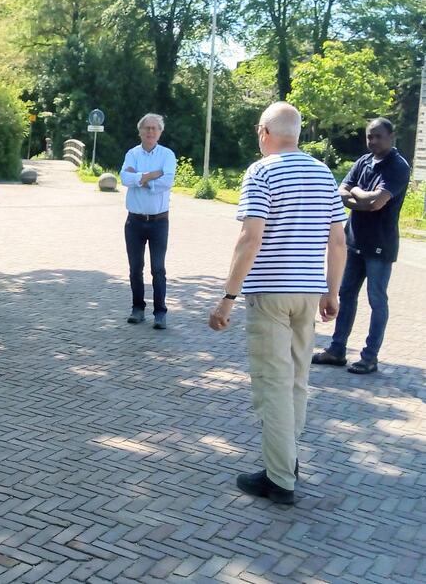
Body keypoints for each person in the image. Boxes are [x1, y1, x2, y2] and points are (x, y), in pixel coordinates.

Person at [209, 102, 346, 505]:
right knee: (297, 381)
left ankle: (280, 478)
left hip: (270, 292)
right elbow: (337, 241)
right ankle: (288, 457)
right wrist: (332, 292)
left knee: (272, 384)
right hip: (308, 292)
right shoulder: (323, 173)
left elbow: (250, 238)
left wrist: (227, 298)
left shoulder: (262, 172)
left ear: (263, 131)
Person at [312, 118, 411, 375]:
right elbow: (340, 192)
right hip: (353, 241)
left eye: (378, 136)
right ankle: (336, 350)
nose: (373, 141)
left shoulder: (398, 167)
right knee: (345, 295)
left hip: (380, 245)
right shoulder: (363, 162)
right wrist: (361, 197)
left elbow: (377, 203)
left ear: (392, 136)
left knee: (377, 300)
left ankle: (370, 357)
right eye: (369, 136)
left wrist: (355, 194)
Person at [120, 113, 176, 329]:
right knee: (135, 267)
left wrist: (140, 178)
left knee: (158, 268)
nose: (150, 132)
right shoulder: (132, 154)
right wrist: (152, 175)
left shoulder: (167, 155)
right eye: (147, 128)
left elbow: (167, 182)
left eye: (155, 128)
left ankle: (160, 312)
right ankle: (138, 308)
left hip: (159, 221)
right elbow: (125, 178)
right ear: (140, 131)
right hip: (134, 221)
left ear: (160, 132)